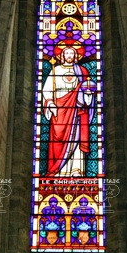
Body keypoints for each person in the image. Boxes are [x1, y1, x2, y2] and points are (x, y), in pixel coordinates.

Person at [41, 41, 96, 176]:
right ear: (62, 56)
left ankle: (76, 170)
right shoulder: (56, 70)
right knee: (57, 139)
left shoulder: (82, 71)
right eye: (67, 53)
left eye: (72, 53)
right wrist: (50, 104)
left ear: (76, 55)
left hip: (76, 110)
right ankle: (59, 172)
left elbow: (86, 89)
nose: (69, 55)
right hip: (59, 110)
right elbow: (46, 90)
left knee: (76, 139)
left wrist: (87, 95)